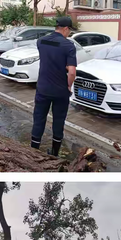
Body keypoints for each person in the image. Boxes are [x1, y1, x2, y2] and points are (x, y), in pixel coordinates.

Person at [30, 16, 77, 157]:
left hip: (43, 88)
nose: (69, 34)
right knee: (58, 121)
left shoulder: (41, 41)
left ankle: (33, 152)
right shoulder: (68, 45)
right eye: (70, 31)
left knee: (39, 119)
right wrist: (69, 86)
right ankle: (55, 153)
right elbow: (72, 72)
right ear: (66, 28)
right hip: (60, 91)